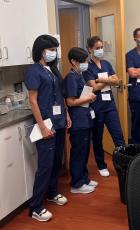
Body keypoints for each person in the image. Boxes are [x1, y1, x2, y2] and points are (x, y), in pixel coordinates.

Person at [25, 35, 71, 222]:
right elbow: (32, 100)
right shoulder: (34, 71)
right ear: (41, 50)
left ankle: (52, 193)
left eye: (55, 49)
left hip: (58, 122)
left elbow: (59, 96)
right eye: (51, 49)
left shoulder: (52, 70)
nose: (54, 52)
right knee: (45, 165)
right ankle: (35, 207)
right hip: (46, 124)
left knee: (56, 162)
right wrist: (42, 126)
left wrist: (66, 115)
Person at [83, 36, 125, 177]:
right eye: (97, 48)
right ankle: (101, 165)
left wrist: (101, 80)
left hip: (110, 105)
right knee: (97, 137)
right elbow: (93, 88)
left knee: (118, 135)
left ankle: (123, 163)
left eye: (101, 47)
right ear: (90, 49)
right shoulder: (87, 67)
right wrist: (109, 81)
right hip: (97, 106)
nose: (100, 50)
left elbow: (117, 81)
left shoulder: (106, 63)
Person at [64, 47, 98, 194]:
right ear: (73, 61)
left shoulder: (80, 75)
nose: (86, 63)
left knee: (85, 151)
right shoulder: (71, 77)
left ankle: (84, 178)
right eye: (83, 61)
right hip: (78, 120)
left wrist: (89, 97)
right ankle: (76, 184)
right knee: (78, 152)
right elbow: (70, 101)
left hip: (85, 118)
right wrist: (87, 98)